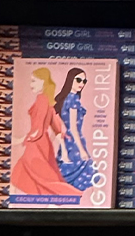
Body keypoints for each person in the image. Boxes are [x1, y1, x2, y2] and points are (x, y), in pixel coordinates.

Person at [10, 67, 80, 199]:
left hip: (36, 144)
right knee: (25, 174)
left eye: (34, 81)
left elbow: (38, 128)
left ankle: (67, 196)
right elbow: (56, 128)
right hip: (42, 143)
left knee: (38, 176)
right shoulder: (48, 101)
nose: (31, 84)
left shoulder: (42, 99)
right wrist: (64, 151)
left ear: (43, 81)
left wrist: (19, 140)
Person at [54, 67, 99, 194]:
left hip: (68, 141)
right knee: (87, 173)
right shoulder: (73, 99)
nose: (81, 84)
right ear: (70, 80)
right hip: (74, 142)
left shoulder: (67, 98)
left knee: (70, 173)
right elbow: (73, 128)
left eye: (84, 81)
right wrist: (82, 150)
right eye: (78, 80)